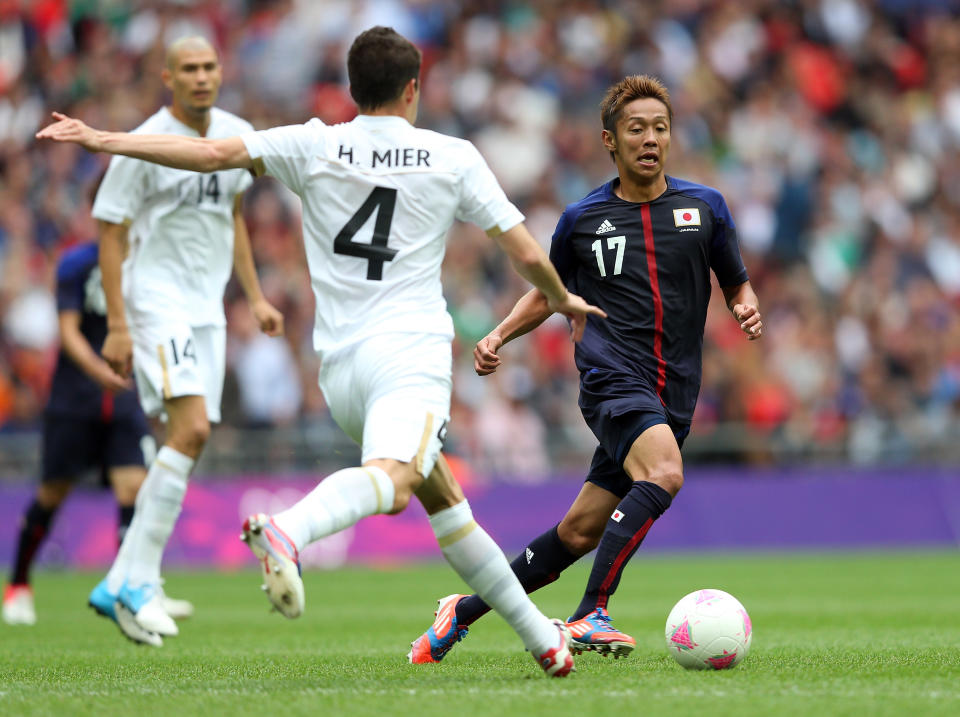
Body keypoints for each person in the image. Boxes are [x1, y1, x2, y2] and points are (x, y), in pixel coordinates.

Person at [36, 26, 605, 677]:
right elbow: (526, 250)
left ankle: (542, 639)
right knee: (395, 481)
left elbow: (209, 153)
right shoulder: (452, 155)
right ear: (414, 88)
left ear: (352, 89)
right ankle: (291, 529)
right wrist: (561, 297)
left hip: (340, 373)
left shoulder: (312, 141)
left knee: (442, 496)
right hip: (407, 353)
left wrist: (105, 138)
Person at [406, 74, 763, 662]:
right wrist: (498, 333)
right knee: (665, 474)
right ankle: (591, 611)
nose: (650, 139)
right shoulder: (582, 219)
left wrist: (746, 308)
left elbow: (737, 283)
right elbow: (546, 293)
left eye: (660, 128)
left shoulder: (705, 208)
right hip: (610, 377)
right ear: (610, 140)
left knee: (576, 533)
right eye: (636, 129)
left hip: (673, 392)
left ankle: (458, 614)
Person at [78, 36, 283, 646]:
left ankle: (123, 577)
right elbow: (109, 235)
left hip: (207, 307)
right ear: (168, 77)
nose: (201, 77)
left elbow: (234, 219)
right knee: (190, 429)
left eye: (210, 66)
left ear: (221, 72)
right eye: (189, 68)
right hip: (156, 298)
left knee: (187, 436)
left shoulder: (236, 132)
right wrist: (117, 323)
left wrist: (255, 295)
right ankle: (136, 581)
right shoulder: (143, 144)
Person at [2, 241, 155, 628]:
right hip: (75, 399)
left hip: (122, 399)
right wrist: (99, 370)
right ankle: (18, 585)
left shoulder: (143, 258)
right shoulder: (76, 264)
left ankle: (128, 591)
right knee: (52, 493)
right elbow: (67, 331)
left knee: (134, 489)